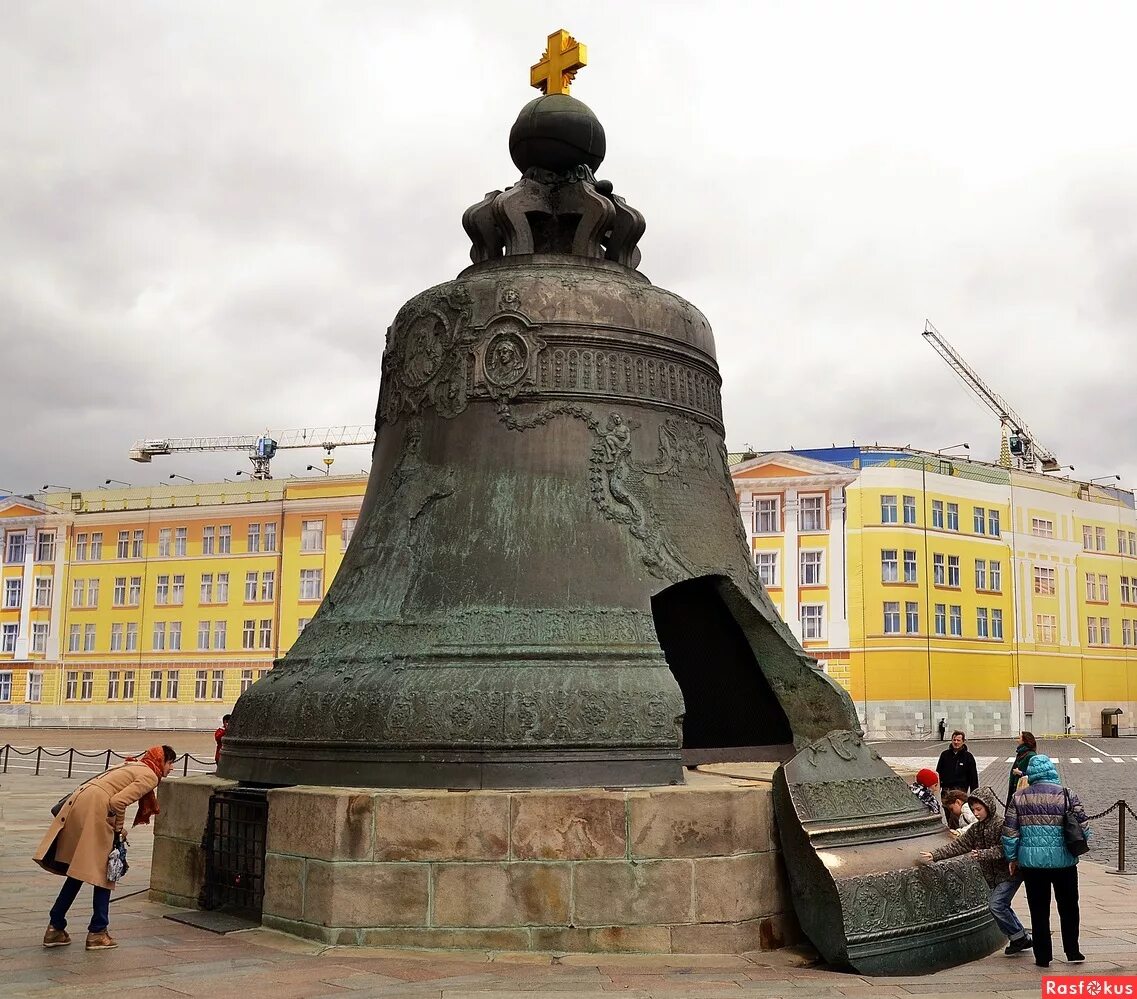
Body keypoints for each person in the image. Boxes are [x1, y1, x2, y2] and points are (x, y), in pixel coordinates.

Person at [35, 745, 177, 951]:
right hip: (97, 808)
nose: (171, 768)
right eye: (170, 763)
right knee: (106, 870)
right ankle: (98, 932)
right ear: (160, 761)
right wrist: (118, 829)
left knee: (80, 868)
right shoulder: (149, 776)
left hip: (80, 805)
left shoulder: (133, 764)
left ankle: (55, 927)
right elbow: (117, 802)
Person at [918, 787, 1031, 956]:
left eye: (979, 809)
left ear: (988, 807)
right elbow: (959, 845)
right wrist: (935, 855)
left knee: (996, 905)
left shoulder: (1001, 824)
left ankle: (1018, 937)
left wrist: (984, 854)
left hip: (1010, 873)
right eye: (973, 810)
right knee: (1002, 905)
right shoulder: (976, 829)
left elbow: (1005, 848)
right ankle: (1020, 937)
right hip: (994, 876)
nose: (976, 813)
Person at [1002, 753, 1091, 968]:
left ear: (1030, 774)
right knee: (1069, 906)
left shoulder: (1019, 797)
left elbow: (1010, 832)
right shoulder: (1067, 794)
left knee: (1039, 910)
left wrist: (1012, 857)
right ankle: (1072, 950)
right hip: (1065, 862)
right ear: (1052, 771)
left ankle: (1043, 957)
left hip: (1033, 864)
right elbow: (1084, 828)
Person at [1008, 731, 1037, 803]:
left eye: (1020, 737)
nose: (1017, 739)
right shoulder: (1021, 752)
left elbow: (1034, 774)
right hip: (1016, 785)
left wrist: (1020, 773)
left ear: (1024, 740)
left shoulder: (1031, 755)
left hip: (1022, 788)